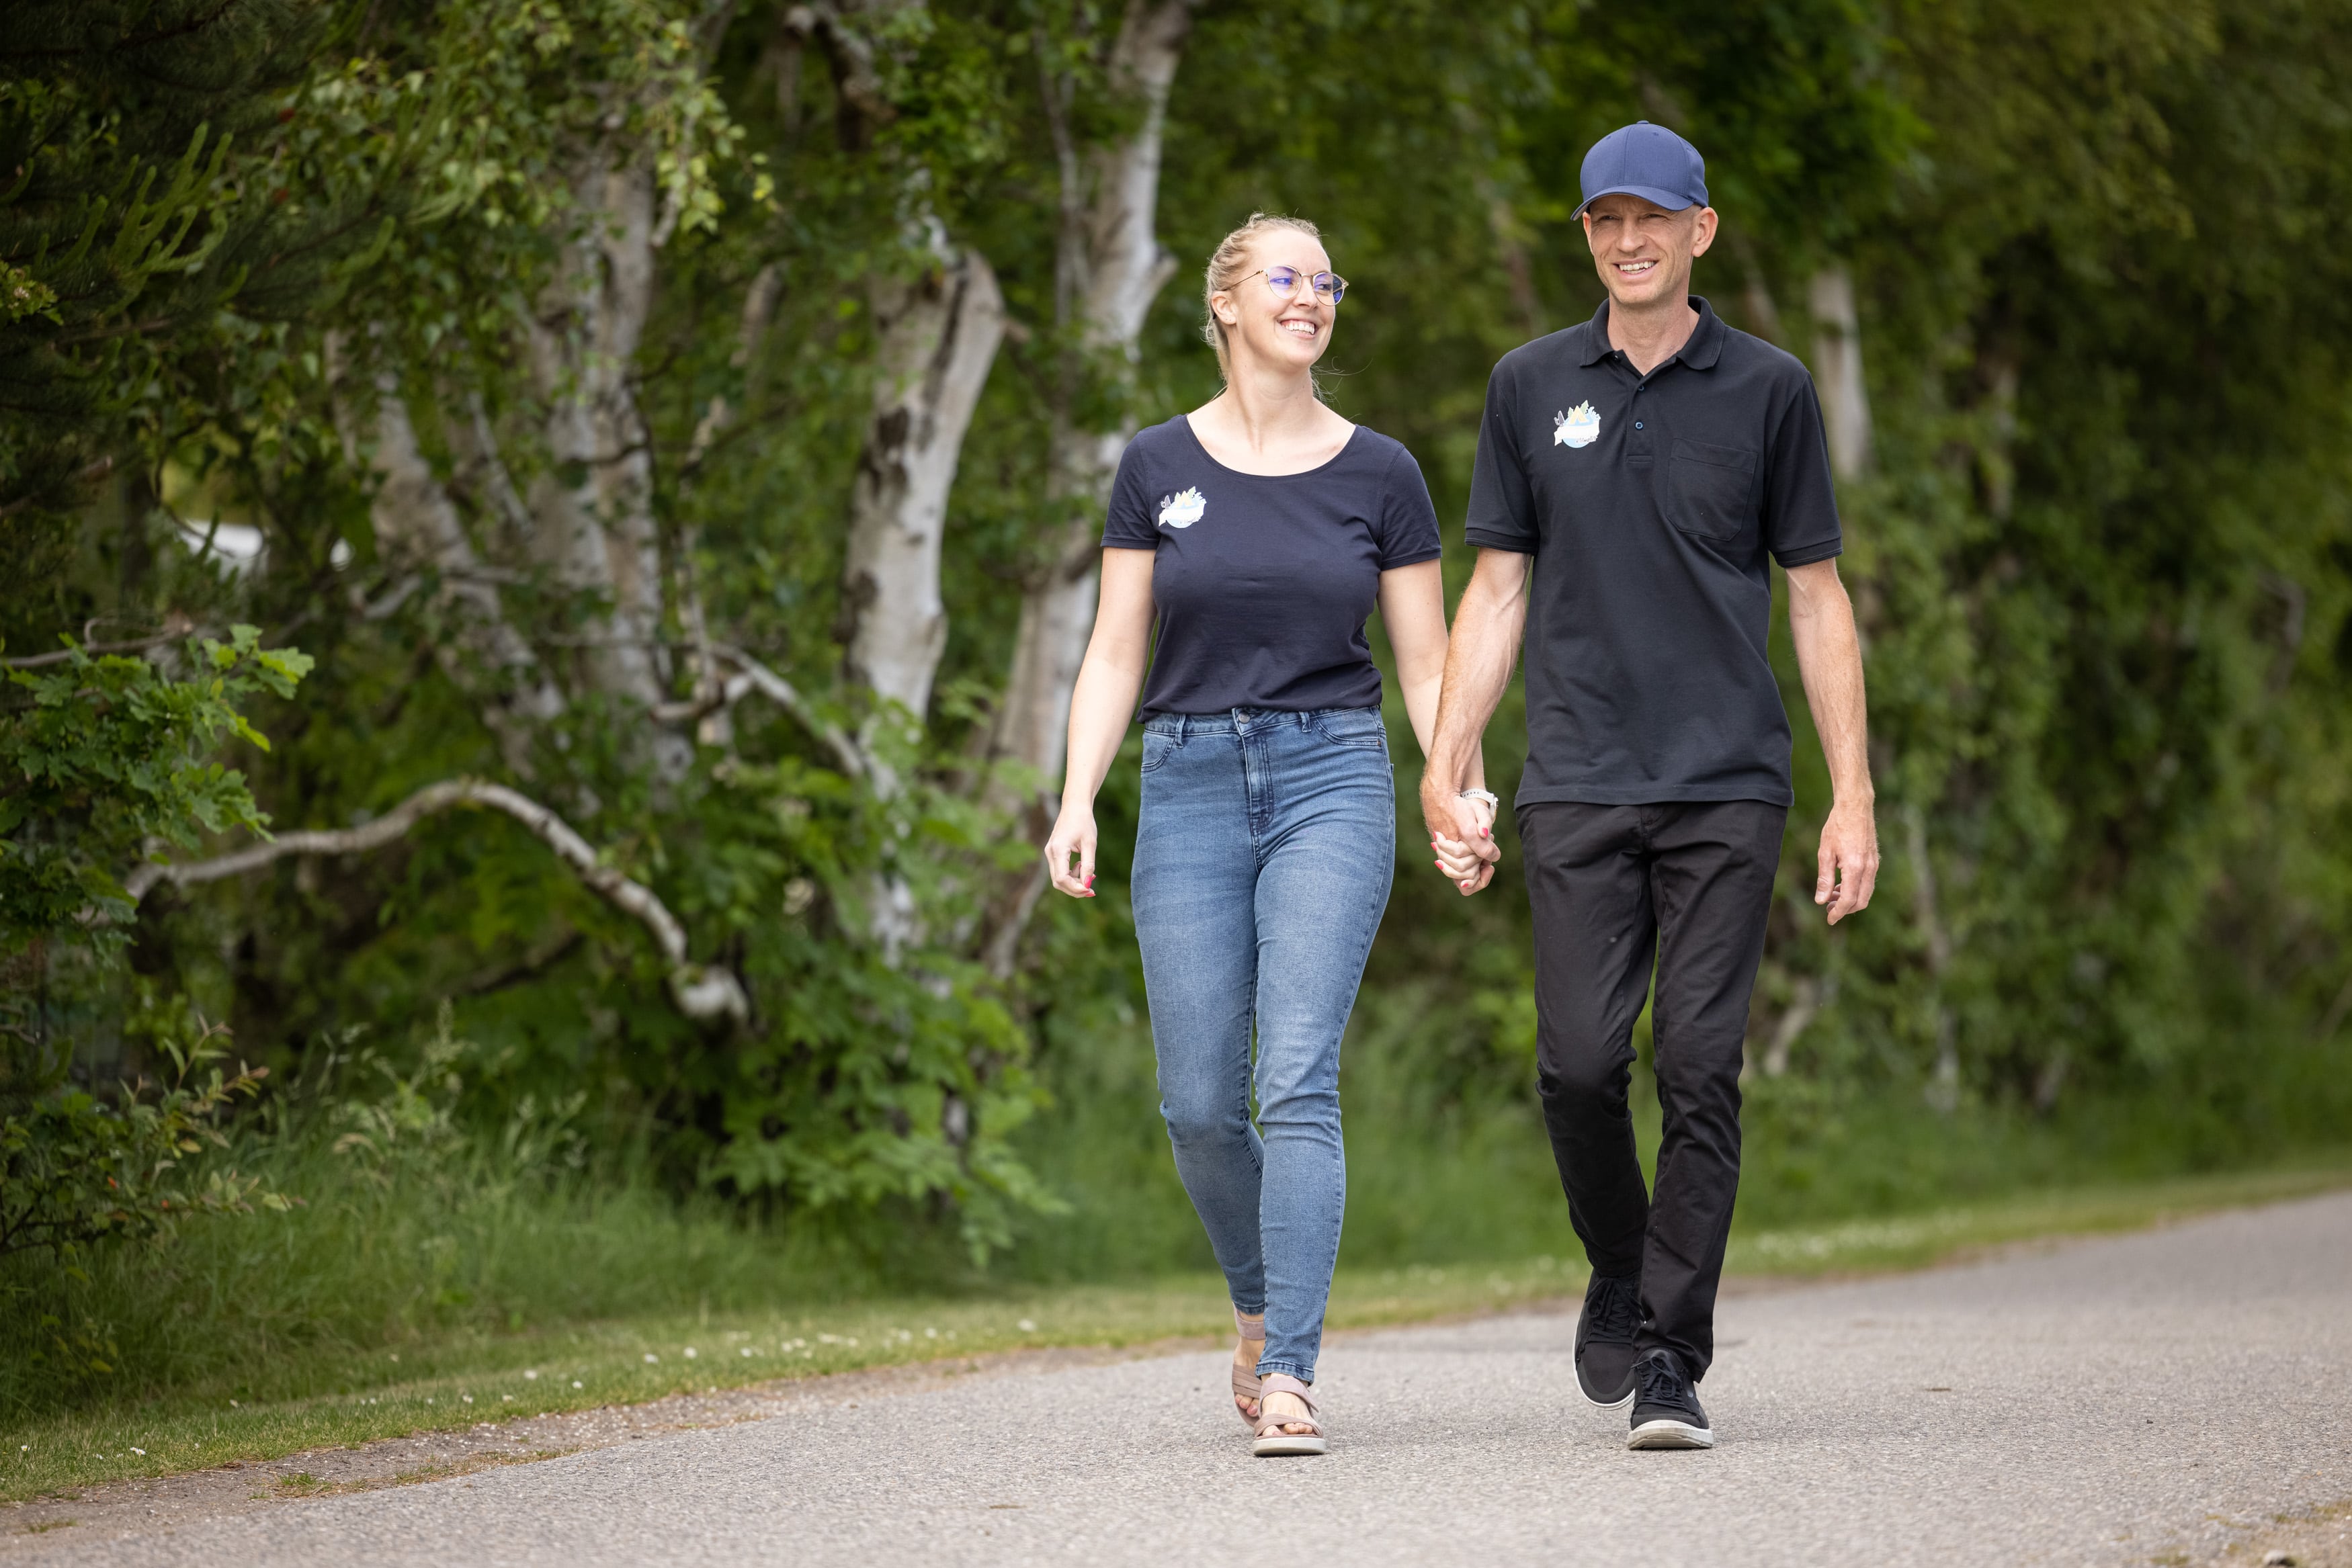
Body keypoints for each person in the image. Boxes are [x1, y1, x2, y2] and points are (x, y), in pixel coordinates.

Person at [1424, 122, 1880, 1450]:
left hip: (1726, 781)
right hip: (1573, 779)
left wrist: (1851, 795)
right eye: (1603, 222)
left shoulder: (1771, 389)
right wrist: (1446, 774)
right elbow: (1495, 591)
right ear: (1585, 236)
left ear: (1701, 230)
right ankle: (1622, 1268)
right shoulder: (1527, 385)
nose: (1627, 241)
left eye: (1652, 219)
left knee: (1696, 1065)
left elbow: (1817, 601)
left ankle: (1672, 1356)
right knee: (1574, 1069)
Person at [1044, 212, 1484, 1458]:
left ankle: (1290, 1367)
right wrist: (1076, 798)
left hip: (1330, 777)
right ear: (1227, 302)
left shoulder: (1382, 474)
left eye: (1326, 279)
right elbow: (1116, 647)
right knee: (1195, 1102)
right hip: (1183, 780)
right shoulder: (1154, 463)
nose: (1312, 295)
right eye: (1285, 277)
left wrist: (1455, 792)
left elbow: (1428, 664)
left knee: (1294, 1075)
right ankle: (1253, 1297)